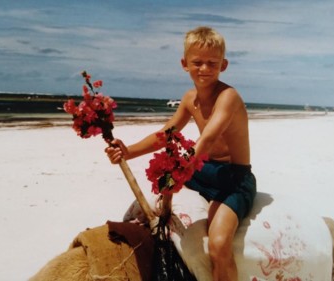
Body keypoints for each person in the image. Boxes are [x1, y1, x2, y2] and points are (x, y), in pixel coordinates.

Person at [105, 26, 256, 281]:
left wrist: (174, 175)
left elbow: (206, 139)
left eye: (212, 63)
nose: (204, 69)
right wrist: (128, 152)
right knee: (150, 211)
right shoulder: (189, 99)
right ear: (185, 64)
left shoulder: (228, 97)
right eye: (197, 62)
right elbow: (165, 135)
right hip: (202, 170)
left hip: (233, 180)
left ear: (224, 65)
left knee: (218, 244)